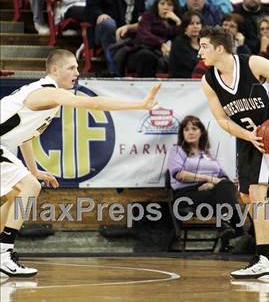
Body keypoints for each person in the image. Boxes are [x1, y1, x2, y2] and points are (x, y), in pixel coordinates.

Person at [0, 49, 161, 278]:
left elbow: (25, 136)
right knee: (29, 188)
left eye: (77, 67)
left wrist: (34, 170)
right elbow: (94, 104)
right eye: (72, 67)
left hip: (3, 146)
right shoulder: (47, 93)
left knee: (17, 193)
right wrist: (140, 104)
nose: (77, 71)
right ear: (55, 70)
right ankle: (4, 254)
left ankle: (1, 251)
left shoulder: (47, 96)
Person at [199, 26, 269, 279]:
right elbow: (222, 119)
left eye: (204, 46)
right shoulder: (208, 80)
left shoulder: (252, 64)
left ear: (219, 48)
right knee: (245, 195)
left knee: (257, 194)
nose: (199, 52)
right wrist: (247, 136)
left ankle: (263, 257)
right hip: (248, 138)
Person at [167, 115, 244, 246]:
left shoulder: (208, 154)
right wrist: (209, 179)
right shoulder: (177, 151)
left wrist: (211, 184)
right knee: (227, 192)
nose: (190, 132)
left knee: (227, 185)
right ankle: (235, 231)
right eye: (186, 129)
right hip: (187, 195)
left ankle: (227, 226)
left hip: (212, 193)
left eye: (194, 128)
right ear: (182, 133)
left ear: (201, 132)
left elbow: (223, 177)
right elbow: (179, 175)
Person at [169, 11, 202, 78]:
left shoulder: (203, 43)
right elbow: (192, 63)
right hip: (180, 82)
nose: (195, 26)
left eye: (198, 23)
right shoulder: (179, 42)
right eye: (191, 23)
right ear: (185, 27)